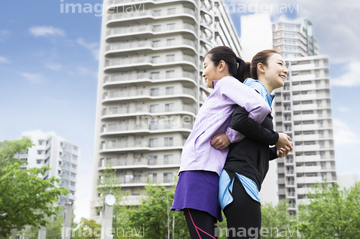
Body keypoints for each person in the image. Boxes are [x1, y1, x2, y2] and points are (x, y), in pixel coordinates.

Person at [171, 46, 291, 239]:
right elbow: (245, 128)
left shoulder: (226, 84)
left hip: (201, 171)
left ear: (221, 66)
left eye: (205, 65)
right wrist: (272, 141)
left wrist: (233, 136)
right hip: (204, 170)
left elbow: (250, 121)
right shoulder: (233, 88)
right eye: (280, 63)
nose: (203, 72)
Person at [216, 50, 292, 239]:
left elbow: (247, 145)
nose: (285, 70)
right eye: (280, 64)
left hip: (244, 179)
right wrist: (275, 137)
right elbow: (239, 122)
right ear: (261, 68)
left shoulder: (261, 95)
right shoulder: (253, 90)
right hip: (238, 178)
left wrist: (274, 152)